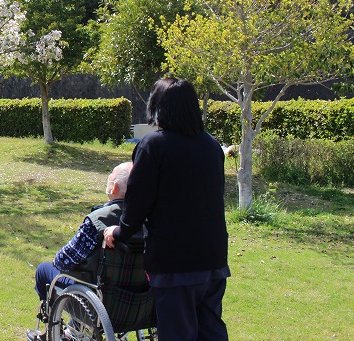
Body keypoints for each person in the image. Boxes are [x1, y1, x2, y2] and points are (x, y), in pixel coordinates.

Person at [104, 77, 230, 341]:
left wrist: (119, 232)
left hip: (176, 263)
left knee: (177, 333)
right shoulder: (211, 146)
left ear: (158, 108)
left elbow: (137, 203)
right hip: (213, 256)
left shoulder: (154, 146)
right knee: (211, 330)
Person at [26, 161, 135, 341]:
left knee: (45, 270)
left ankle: (53, 331)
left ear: (114, 187)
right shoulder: (150, 219)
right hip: (138, 302)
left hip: (100, 303)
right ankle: (73, 328)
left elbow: (63, 260)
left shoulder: (99, 219)